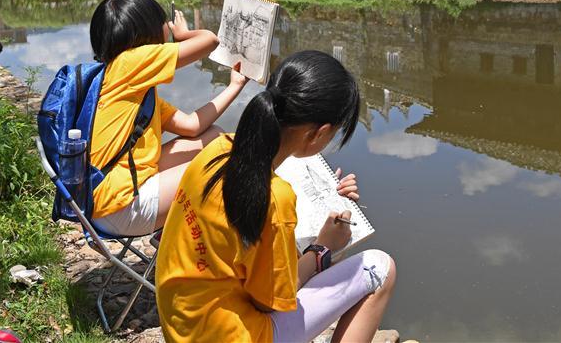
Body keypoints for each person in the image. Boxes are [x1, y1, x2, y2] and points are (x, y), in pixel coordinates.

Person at [156, 51, 396, 343]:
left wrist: (325, 196)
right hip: (226, 335)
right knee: (380, 267)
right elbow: (268, 303)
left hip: (181, 323)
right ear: (318, 134)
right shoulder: (276, 198)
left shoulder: (218, 148)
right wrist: (323, 248)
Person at [88, 0, 246, 237]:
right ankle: (190, 243)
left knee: (216, 137)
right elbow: (210, 41)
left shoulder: (128, 85)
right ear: (147, 31)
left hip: (107, 199)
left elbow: (192, 125)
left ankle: (172, 236)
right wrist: (183, 35)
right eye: (164, 22)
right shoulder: (130, 61)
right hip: (120, 206)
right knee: (226, 165)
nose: (168, 28)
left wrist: (234, 86)